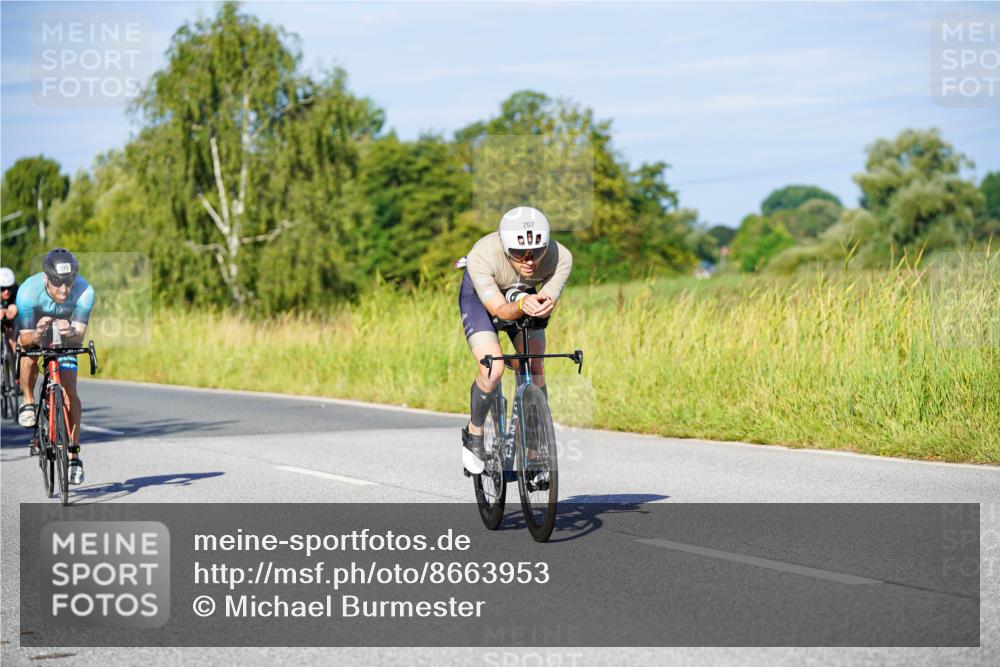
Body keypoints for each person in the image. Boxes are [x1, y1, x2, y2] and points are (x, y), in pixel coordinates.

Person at [457, 206, 572, 474]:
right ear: (506, 247)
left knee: (535, 366)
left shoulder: (561, 257)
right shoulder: (482, 256)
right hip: (482, 300)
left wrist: (542, 304)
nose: (529, 260)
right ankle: (474, 433)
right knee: (493, 368)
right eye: (520, 253)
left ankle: (533, 451)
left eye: (537, 251)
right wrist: (522, 304)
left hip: (523, 296)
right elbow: (499, 310)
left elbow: (547, 299)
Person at [15, 249, 95, 485]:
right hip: (34, 332)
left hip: (65, 338)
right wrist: (38, 334)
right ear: (46, 278)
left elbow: (78, 336)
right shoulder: (28, 292)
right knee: (28, 355)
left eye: (68, 282)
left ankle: (73, 457)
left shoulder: (85, 291)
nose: (64, 289)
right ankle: (28, 401)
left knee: (70, 392)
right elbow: (24, 339)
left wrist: (69, 332)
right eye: (58, 282)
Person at [1, 267, 19, 356]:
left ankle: (17, 363)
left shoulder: (17, 291)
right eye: (2, 289)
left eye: (9, 288)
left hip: (13, 318)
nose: (6, 292)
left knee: (12, 337)